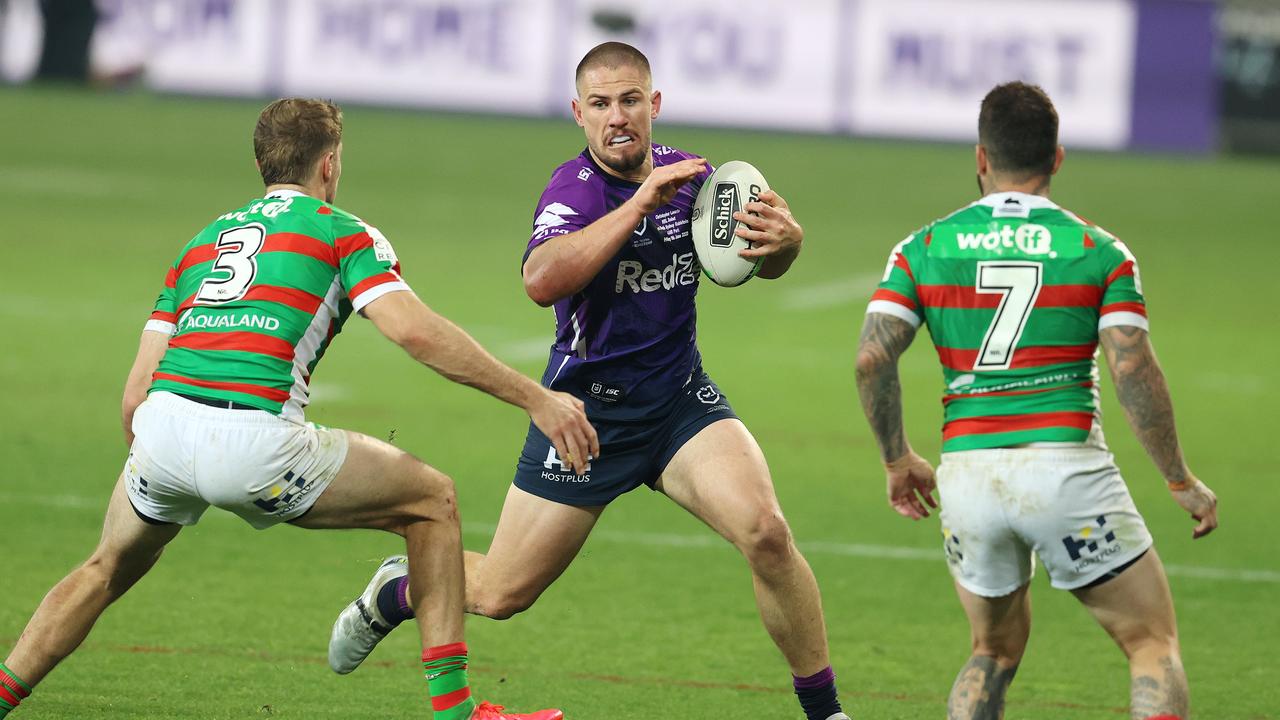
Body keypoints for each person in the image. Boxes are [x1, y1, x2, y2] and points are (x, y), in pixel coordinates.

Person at [0, 98, 597, 720]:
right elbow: (415, 333)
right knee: (432, 502)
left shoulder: (203, 241)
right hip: (256, 439)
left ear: (262, 162)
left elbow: (135, 394)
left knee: (102, 570)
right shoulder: (344, 232)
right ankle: (454, 710)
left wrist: (173, 462)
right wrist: (536, 397)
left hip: (162, 430)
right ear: (330, 165)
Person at [329, 42, 851, 720]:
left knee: (767, 534)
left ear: (654, 104)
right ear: (579, 114)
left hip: (678, 403)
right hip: (585, 419)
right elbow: (540, 281)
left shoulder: (697, 178)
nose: (618, 117)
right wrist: (636, 206)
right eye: (600, 104)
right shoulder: (571, 191)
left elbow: (753, 261)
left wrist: (788, 245)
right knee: (501, 595)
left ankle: (826, 712)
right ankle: (397, 591)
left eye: (630, 100)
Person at [853, 81, 1220, 720]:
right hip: (1065, 471)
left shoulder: (923, 248)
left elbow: (871, 358)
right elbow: (1132, 365)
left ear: (980, 158)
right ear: (1056, 159)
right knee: (1149, 641)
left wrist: (896, 460)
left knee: (991, 651)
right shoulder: (1097, 252)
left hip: (968, 476)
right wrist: (1178, 478)